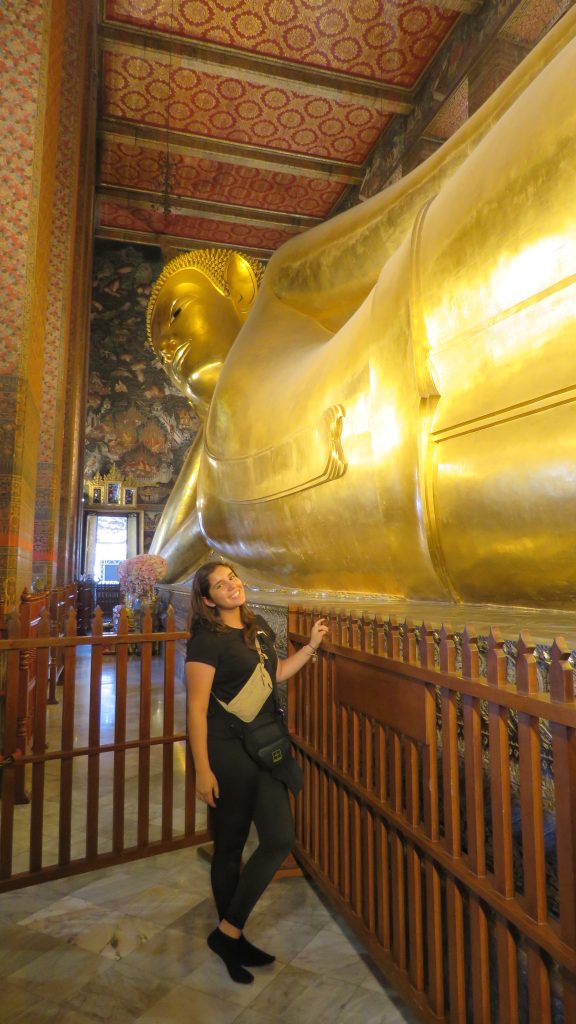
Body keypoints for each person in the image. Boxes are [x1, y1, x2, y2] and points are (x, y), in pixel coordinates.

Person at [185, 560, 329, 984]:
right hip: (227, 751)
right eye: (220, 584)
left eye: (233, 577)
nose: (232, 585)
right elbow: (196, 708)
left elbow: (275, 673)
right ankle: (233, 938)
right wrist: (202, 770)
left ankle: (227, 933)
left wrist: (311, 647)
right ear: (208, 599)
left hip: (264, 747)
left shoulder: (258, 627)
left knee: (279, 839)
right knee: (230, 846)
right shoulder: (206, 641)